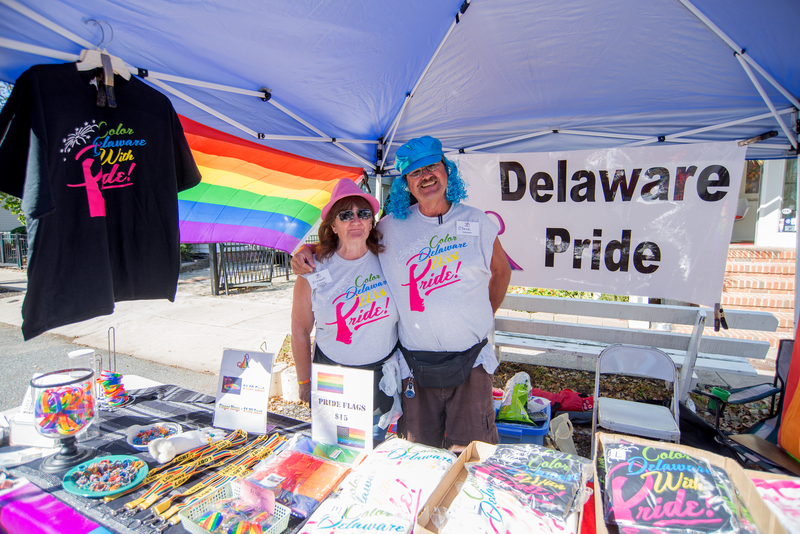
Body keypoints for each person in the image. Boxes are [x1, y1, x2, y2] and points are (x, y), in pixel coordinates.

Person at [292, 136, 512, 452]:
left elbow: (501, 271)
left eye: (432, 166)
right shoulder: (389, 228)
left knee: (472, 453)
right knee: (417, 453)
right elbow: (348, 244)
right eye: (414, 173)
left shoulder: (476, 221)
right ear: (406, 184)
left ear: (447, 170)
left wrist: (481, 315)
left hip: (470, 361)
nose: (426, 177)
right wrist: (306, 251)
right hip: (414, 366)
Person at [291, 178, 402, 445]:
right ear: (333, 224)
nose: (356, 221)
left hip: (380, 379)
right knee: (335, 452)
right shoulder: (312, 269)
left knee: (374, 452)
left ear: (371, 222)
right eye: (345, 215)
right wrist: (305, 380)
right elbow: (300, 329)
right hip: (333, 379)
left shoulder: (389, 257)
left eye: (363, 214)